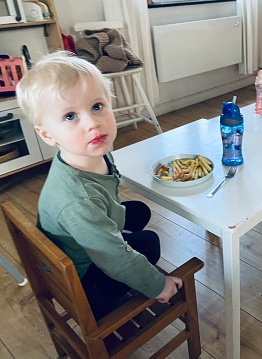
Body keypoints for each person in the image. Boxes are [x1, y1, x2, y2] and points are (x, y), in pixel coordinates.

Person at [16, 51, 182, 319]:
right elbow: (113, 257)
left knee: (139, 210)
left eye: (96, 107)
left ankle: (113, 240)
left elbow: (107, 196)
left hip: (85, 237)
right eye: (70, 116)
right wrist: (157, 285)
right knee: (150, 242)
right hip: (83, 281)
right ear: (47, 134)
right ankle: (106, 302)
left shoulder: (91, 153)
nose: (92, 123)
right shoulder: (78, 200)